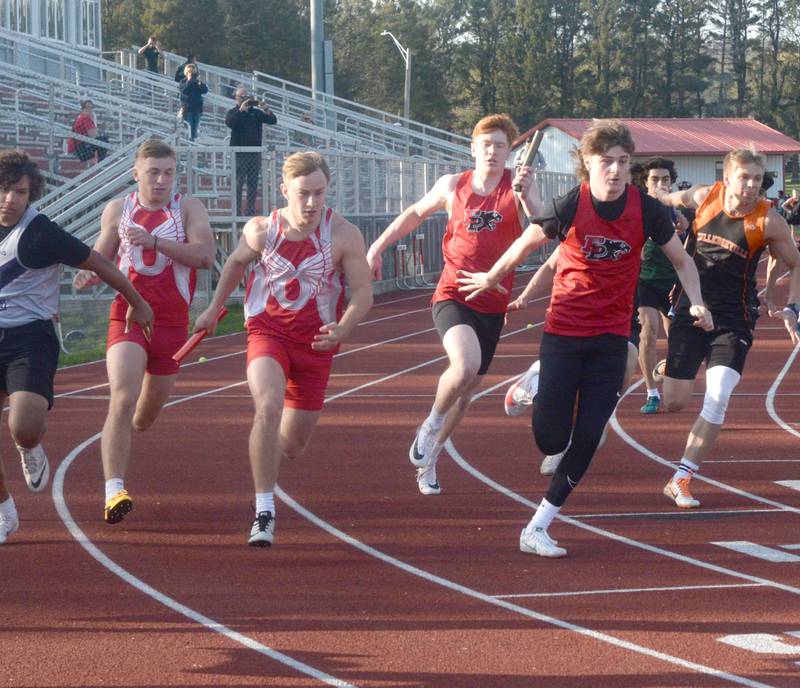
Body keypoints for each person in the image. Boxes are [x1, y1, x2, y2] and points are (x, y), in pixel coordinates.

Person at [458, 120, 712, 557]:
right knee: (551, 439)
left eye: (622, 162)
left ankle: (538, 525)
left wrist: (697, 301)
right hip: (564, 332)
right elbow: (526, 243)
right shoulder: (572, 203)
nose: (615, 171)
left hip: (612, 337)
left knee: (590, 435)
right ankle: (536, 383)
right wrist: (493, 276)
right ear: (588, 165)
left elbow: (683, 261)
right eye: (606, 162)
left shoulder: (647, 209)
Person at [193, 151, 373, 546]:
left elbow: (363, 292)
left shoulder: (342, 234)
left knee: (291, 445)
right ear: (284, 190)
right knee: (268, 407)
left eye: (319, 193)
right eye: (303, 194)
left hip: (316, 345)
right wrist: (212, 309)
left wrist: (343, 328)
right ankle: (264, 510)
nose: (311, 203)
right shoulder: (262, 230)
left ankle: (266, 460)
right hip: (267, 332)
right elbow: (236, 263)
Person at [365, 114, 543, 496]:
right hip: (453, 293)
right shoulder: (453, 185)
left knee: (464, 396)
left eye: (500, 146)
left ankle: (430, 455)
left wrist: (529, 196)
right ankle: (429, 425)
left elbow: (542, 226)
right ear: (473, 148)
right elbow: (415, 213)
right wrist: (377, 246)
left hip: (493, 300)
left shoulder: (519, 186)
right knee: (464, 366)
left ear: (509, 151)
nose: (493, 152)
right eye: (486, 144)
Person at [0, 150, 153, 544]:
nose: (10, 199)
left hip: (29, 337)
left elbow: (98, 263)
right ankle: (4, 512)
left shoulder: (41, 232)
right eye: (3, 190)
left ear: (30, 193)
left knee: (25, 425)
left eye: (19, 192)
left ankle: (28, 445)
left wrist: (137, 301)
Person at [72, 139, 214, 525]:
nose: (162, 180)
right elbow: (100, 255)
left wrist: (155, 241)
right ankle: (113, 490)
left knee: (143, 417)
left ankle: (126, 433)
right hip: (129, 317)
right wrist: (90, 275)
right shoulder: (119, 209)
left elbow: (204, 255)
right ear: (136, 174)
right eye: (153, 172)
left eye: (168, 172)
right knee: (122, 395)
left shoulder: (188, 208)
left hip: (171, 327)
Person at [654, 147, 800, 509]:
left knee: (718, 397)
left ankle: (682, 478)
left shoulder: (769, 221)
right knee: (673, 401)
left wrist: (792, 307)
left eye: (756, 179)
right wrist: (655, 201)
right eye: (743, 178)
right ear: (728, 178)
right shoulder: (705, 197)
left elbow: (796, 264)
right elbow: (668, 199)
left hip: (735, 317)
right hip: (691, 307)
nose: (751, 186)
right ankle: (664, 369)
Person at [636, 158, 689, 414]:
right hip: (645, 281)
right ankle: (651, 393)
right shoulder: (637, 208)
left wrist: (686, 230)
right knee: (648, 331)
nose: (660, 184)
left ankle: (661, 372)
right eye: (655, 179)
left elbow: (692, 253)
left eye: (665, 179)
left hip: (674, 285)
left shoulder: (680, 211)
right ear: (646, 183)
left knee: (679, 342)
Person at [225, 87, 277, 216]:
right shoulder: (233, 111)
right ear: (236, 98)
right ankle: (236, 213)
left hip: (254, 154)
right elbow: (230, 123)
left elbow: (273, 120)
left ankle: (250, 212)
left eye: (247, 96)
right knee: (238, 184)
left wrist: (266, 108)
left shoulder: (256, 113)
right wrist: (241, 110)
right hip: (239, 154)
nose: (245, 99)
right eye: (242, 96)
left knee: (252, 184)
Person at [67, 100, 108, 165]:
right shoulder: (85, 118)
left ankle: (100, 162)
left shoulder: (80, 117)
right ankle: (101, 164)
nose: (90, 109)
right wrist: (97, 129)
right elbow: (93, 135)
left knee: (101, 140)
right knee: (104, 139)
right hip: (80, 150)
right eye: (87, 107)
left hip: (77, 148)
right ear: (83, 108)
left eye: (91, 107)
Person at [179, 64, 208, 142]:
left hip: (197, 108)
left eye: (193, 72)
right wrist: (188, 81)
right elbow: (184, 91)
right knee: (189, 129)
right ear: (186, 72)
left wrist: (200, 83)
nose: (192, 74)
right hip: (188, 109)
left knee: (195, 130)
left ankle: (193, 145)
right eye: (190, 72)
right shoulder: (183, 81)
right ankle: (189, 145)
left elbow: (205, 91)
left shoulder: (197, 81)